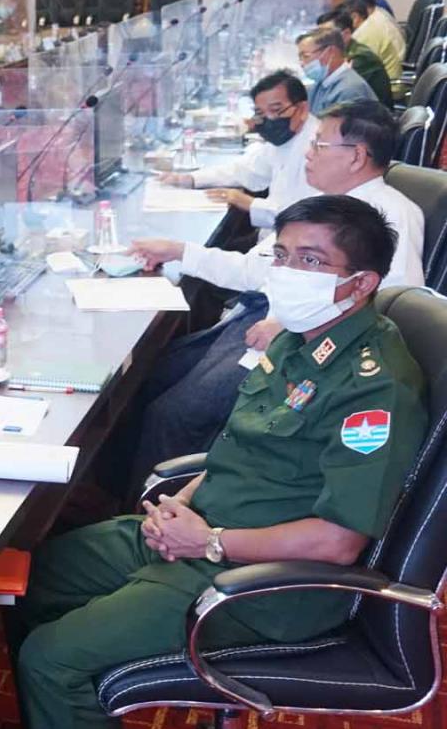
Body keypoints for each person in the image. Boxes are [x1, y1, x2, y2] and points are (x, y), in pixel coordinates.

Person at [9, 194, 427, 729]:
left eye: (310, 260)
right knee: (24, 581)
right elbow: (243, 446)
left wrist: (209, 541)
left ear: (361, 283)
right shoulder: (300, 341)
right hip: (199, 533)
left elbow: (339, 542)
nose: (287, 271)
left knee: (51, 656)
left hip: (263, 583)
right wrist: (185, 501)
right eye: (281, 255)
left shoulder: (375, 386)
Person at [121, 101, 423, 493]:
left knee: (175, 415)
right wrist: (178, 251)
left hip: (298, 345)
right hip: (264, 321)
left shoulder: (389, 215)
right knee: (157, 372)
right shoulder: (325, 210)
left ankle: (151, 511)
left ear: (356, 156)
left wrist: (288, 327)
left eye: (319, 145)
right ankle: (114, 495)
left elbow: (397, 300)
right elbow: (256, 269)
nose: (308, 154)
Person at [158, 69, 315, 231]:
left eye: (275, 110)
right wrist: (191, 179)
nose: (270, 119)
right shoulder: (286, 139)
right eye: (261, 113)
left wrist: (246, 201)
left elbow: (308, 217)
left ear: (302, 109)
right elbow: (246, 170)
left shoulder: (317, 148)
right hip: (276, 235)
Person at [317, 7, 391, 106]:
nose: (320, 40)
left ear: (346, 34)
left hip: (373, 112)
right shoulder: (341, 53)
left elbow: (340, 87)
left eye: (327, 35)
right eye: (318, 35)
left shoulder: (361, 57)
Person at [298, 26, 375, 113]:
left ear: (330, 52)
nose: (302, 64)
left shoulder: (350, 90)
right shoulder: (320, 85)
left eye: (306, 56)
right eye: (300, 58)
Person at [343, 0, 404, 84]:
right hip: (394, 75)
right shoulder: (375, 18)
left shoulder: (365, 32)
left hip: (391, 85)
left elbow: (359, 68)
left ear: (355, 17)